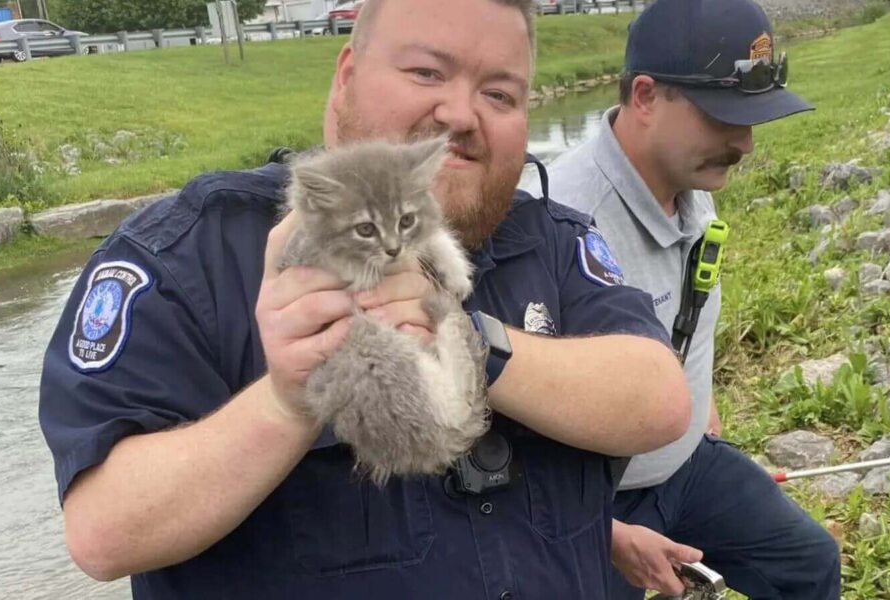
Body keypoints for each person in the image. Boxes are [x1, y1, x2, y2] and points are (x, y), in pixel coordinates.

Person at [38, 0, 692, 598]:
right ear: (346, 76)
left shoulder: (550, 239)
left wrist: (468, 337)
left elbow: (659, 403)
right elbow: (102, 533)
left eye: (499, 92)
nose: (460, 115)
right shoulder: (186, 257)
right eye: (427, 73)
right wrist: (287, 400)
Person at [529, 0, 842, 598]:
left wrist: (703, 408)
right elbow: (505, 432)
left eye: (752, 118)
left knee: (808, 562)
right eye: (723, 116)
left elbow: (684, 320)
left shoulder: (692, 186)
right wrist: (610, 534)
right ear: (645, 96)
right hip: (591, 506)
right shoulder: (556, 224)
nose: (745, 142)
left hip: (687, 462)